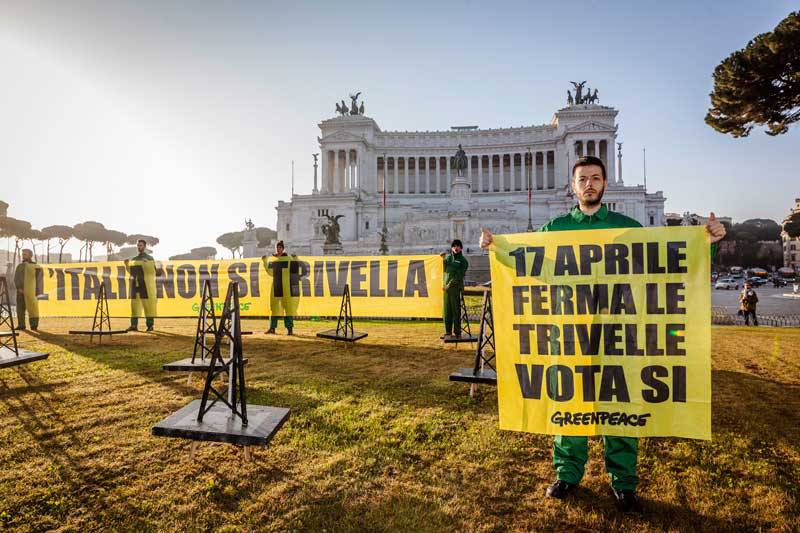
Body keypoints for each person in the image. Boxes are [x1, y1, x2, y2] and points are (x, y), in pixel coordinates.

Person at [479, 155, 726, 513]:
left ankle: (624, 482)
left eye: (596, 178)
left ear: (605, 183)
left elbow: (666, 261)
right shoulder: (554, 230)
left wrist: (709, 242)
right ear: (574, 185)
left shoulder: (629, 228)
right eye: (583, 179)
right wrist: (496, 250)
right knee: (569, 401)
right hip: (572, 331)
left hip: (618, 330)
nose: (590, 184)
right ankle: (567, 474)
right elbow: (532, 267)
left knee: (621, 405)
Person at [262, 240, 296, 335]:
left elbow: (294, 269)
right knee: (274, 308)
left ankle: (290, 329)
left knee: (288, 308)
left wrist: (295, 259)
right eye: (277, 247)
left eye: (280, 247)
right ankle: (272, 328)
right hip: (276, 286)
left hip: (286, 287)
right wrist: (265, 262)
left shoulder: (288, 259)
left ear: (283, 248)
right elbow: (270, 272)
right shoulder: (274, 260)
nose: (278, 249)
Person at [125, 239, 156, 332]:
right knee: (135, 306)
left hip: (146, 286)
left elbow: (153, 272)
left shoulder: (150, 258)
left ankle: (150, 326)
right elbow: (131, 272)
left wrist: (147, 264)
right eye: (138, 245)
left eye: (141, 245)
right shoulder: (134, 259)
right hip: (136, 285)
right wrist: (126, 265)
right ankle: (134, 325)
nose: (139, 247)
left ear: (145, 247)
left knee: (148, 306)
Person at [442, 239, 469, 338]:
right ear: (451, 248)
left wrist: (450, 284)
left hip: (455, 288)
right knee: (447, 310)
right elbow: (442, 269)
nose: (456, 248)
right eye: (454, 246)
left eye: (458, 246)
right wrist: (441, 259)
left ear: (461, 248)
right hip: (446, 288)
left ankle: (457, 331)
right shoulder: (448, 259)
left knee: (455, 310)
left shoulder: (463, 261)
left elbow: (459, 275)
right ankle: (448, 331)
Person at [13, 249, 39, 331]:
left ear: (30, 255)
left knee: (33, 308)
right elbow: (16, 278)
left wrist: (36, 290)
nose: (23, 256)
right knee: (20, 308)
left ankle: (34, 325)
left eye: (25, 254)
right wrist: (19, 288)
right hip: (20, 291)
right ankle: (21, 325)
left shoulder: (35, 266)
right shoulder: (19, 266)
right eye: (22, 254)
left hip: (32, 291)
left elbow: (39, 278)